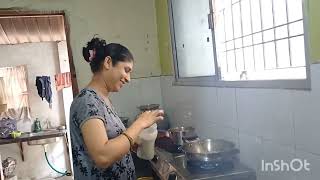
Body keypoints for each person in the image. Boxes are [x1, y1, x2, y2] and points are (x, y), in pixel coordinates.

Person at [69, 37, 164, 180]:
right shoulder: (87, 101)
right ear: (108, 62)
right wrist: (139, 124)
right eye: (126, 70)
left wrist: (132, 141)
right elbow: (103, 156)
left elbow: (109, 142)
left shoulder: (102, 99)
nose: (128, 78)